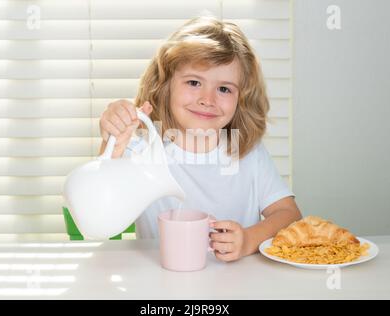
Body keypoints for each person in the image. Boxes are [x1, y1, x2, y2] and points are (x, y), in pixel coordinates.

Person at [98, 15, 302, 262]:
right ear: (165, 86)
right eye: (194, 82)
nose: (208, 99)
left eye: (224, 89)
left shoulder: (247, 152)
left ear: (242, 99)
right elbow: (100, 216)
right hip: (160, 284)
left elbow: (289, 214)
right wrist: (112, 149)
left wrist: (249, 239)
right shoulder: (141, 150)